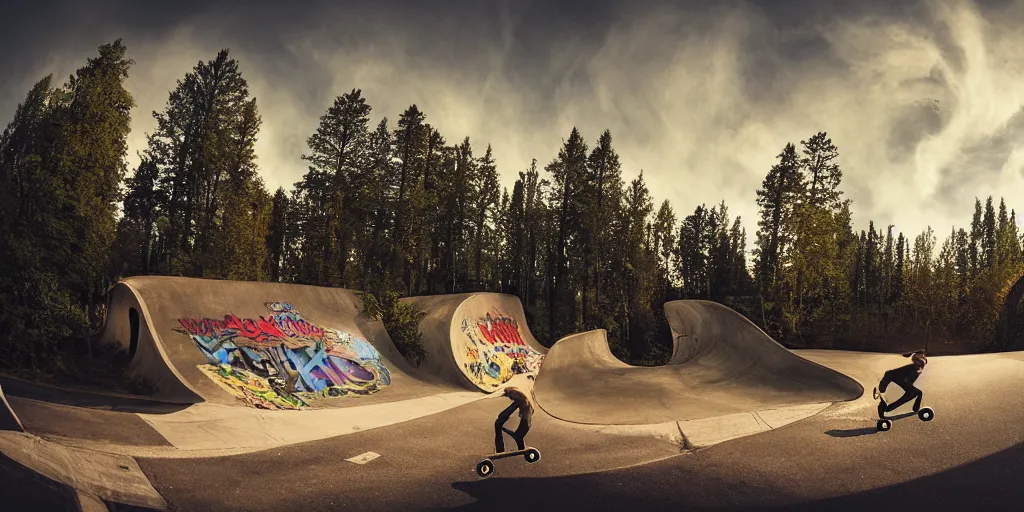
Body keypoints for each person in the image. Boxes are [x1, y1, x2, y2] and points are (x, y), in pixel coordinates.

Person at [874, 350, 928, 418]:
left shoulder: (915, 367)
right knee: (916, 392)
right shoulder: (912, 368)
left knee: (917, 392)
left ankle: (888, 407)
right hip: (899, 378)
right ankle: (886, 404)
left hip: (899, 378)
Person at [494, 386, 533, 453]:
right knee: (518, 436)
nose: (510, 398)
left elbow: (509, 410)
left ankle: (500, 450)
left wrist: (502, 416)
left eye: (510, 396)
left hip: (524, 422)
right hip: (526, 423)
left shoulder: (520, 400)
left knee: (498, 425)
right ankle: (521, 449)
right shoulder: (525, 401)